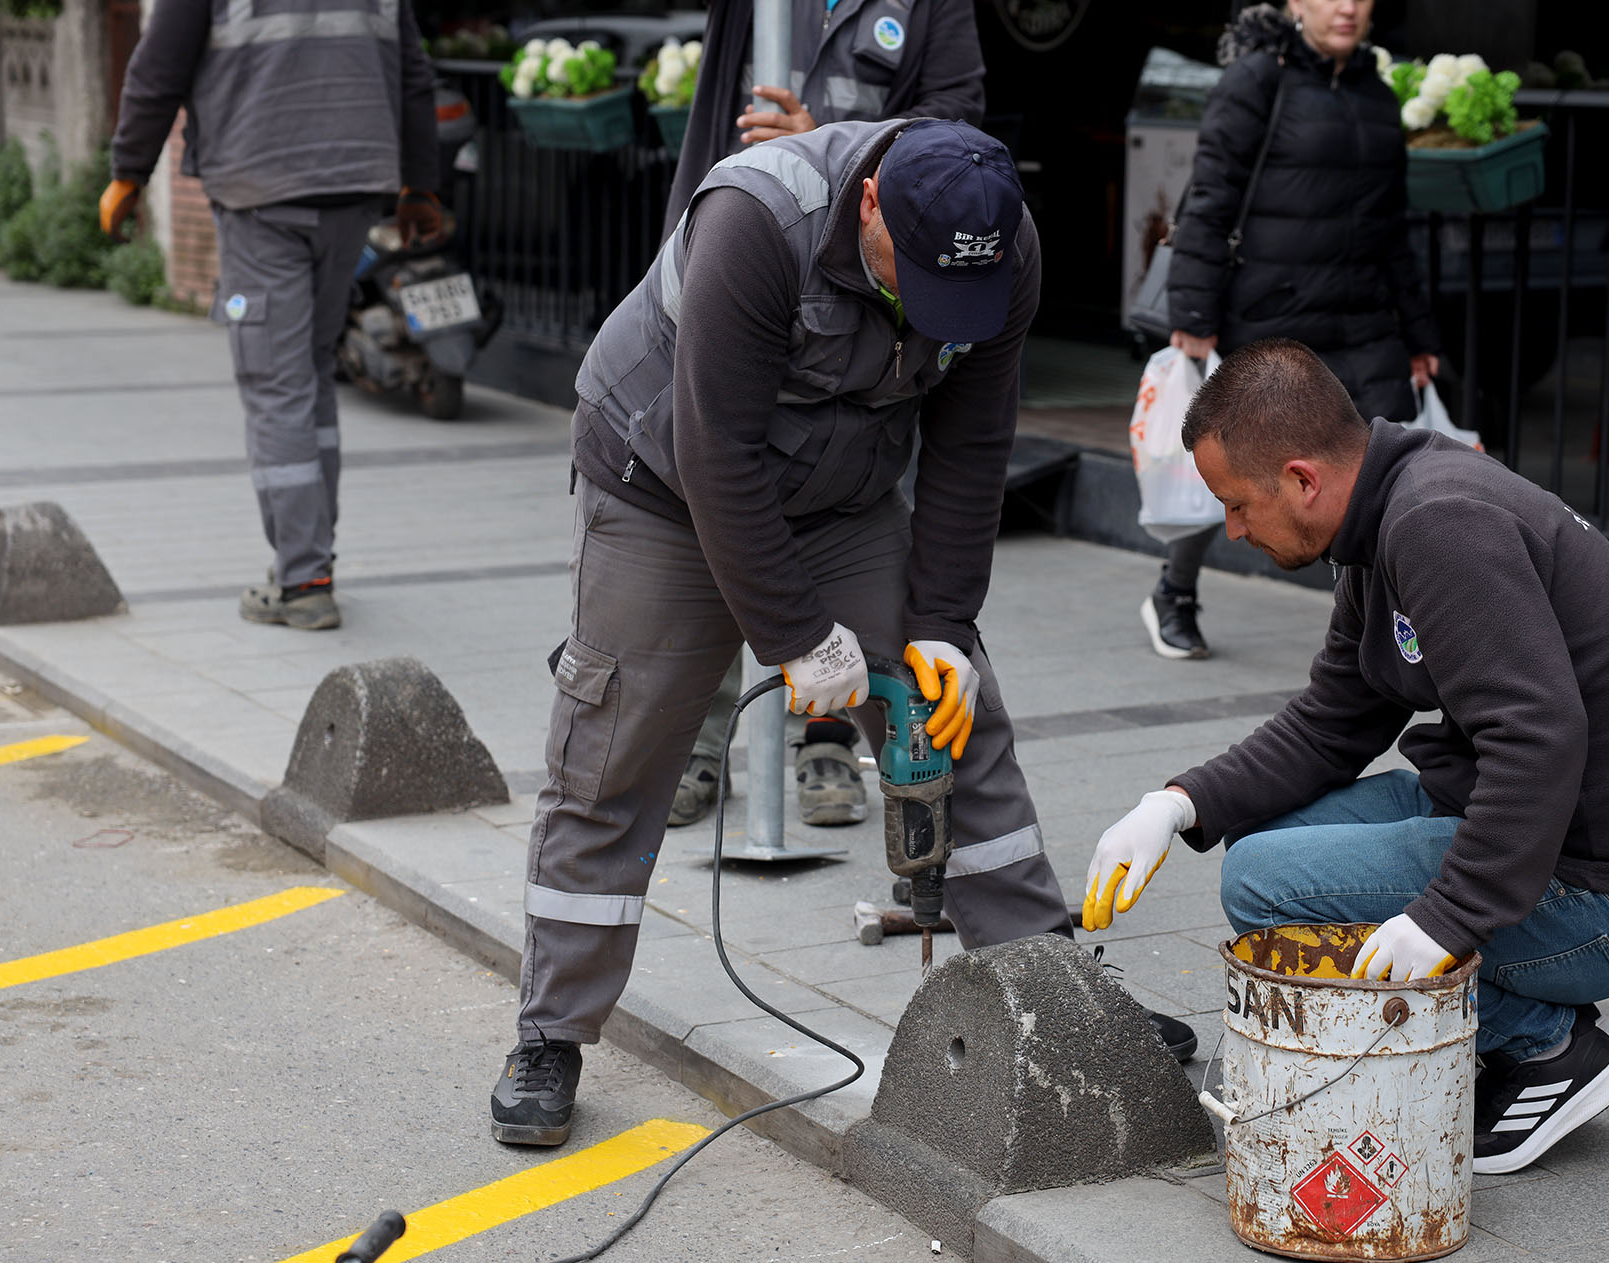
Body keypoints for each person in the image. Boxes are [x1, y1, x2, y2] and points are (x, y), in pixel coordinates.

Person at [493, 117, 1195, 1147]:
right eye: (905, 276)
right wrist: (793, 636)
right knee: (615, 750)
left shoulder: (1000, 245)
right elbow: (717, 451)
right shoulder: (754, 220)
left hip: (841, 494)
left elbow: (970, 441)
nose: (921, 307)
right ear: (870, 203)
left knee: (955, 715)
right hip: (665, 486)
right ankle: (550, 1031)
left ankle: (1050, 994)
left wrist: (945, 626)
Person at [1083, 340, 1609, 1174]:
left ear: (1302, 480)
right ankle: (1495, 1027)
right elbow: (1330, 722)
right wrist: (1177, 804)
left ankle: (1549, 1046)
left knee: (1261, 884)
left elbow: (1540, 737)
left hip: (1602, 895)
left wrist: (1445, 919)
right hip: (1520, 825)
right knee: (1265, 846)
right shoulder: (1385, 521)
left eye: (1236, 505)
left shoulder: (1438, 522)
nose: (1231, 529)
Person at [663, 0, 988, 830]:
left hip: (869, 277)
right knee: (713, 497)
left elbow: (958, 132)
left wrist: (831, 143)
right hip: (751, 251)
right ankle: (699, 740)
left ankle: (828, 742)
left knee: (843, 526)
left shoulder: (931, 6)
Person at [101, 0, 443, 631]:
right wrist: (420, 187)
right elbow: (413, 78)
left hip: (262, 197)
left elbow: (157, 69)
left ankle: (303, 578)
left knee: (275, 384)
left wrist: (128, 171)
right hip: (352, 195)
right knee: (310, 373)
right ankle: (309, 557)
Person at [1150, 0, 1439, 660]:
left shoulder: (1377, 95)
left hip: (1363, 319)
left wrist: (1421, 335)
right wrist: (1192, 317)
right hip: (1274, 314)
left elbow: (1395, 231)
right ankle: (1175, 587)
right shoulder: (1256, 80)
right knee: (1242, 468)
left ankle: (1377, 632)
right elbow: (1210, 196)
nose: (1347, 7)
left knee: (1385, 475)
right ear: (1294, 4)